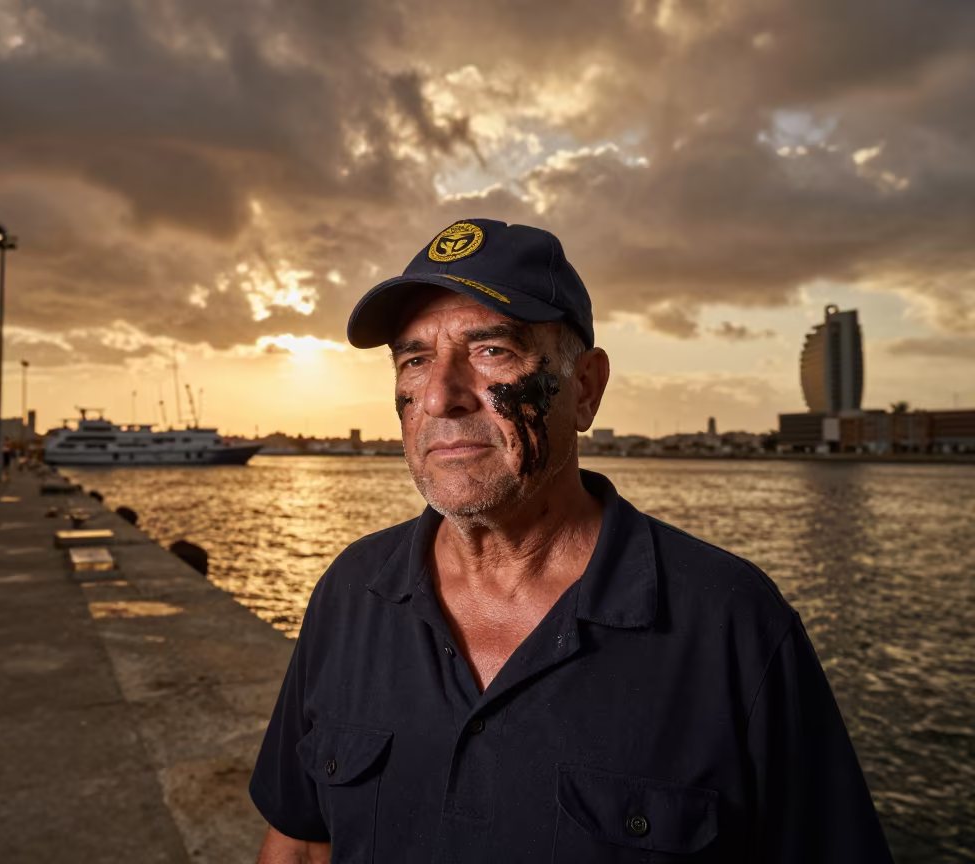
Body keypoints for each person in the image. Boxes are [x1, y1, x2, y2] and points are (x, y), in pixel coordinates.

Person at [250, 219, 893, 863]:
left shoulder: (732, 623)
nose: (441, 396)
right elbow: (302, 846)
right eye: (415, 360)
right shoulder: (350, 593)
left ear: (585, 388)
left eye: (491, 350)